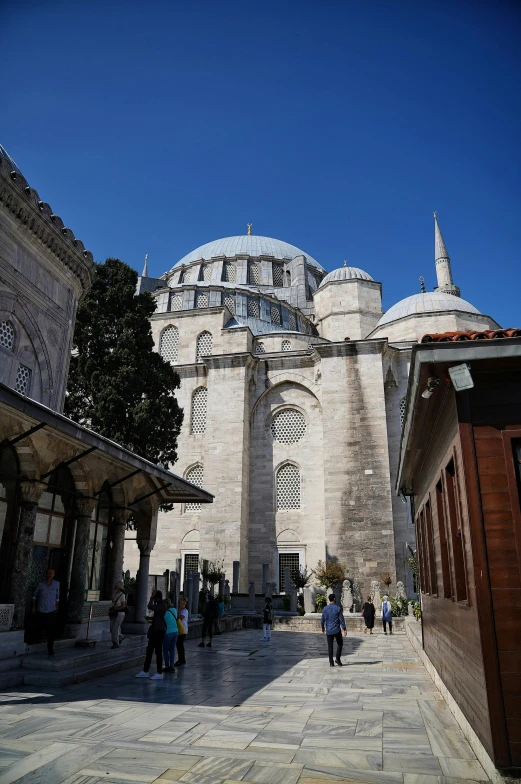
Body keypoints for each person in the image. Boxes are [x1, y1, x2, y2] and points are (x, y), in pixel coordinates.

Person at [136, 590, 167, 679]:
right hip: (155, 629)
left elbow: (150, 606)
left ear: (157, 597)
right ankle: (145, 671)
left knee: (158, 651)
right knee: (149, 650)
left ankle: (159, 672)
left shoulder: (162, 605)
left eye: (155, 597)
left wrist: (151, 599)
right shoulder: (160, 605)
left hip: (160, 630)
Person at [32, 568, 60, 655]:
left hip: (51, 610)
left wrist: (57, 607)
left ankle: (50, 647)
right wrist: (33, 607)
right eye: (48, 573)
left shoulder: (57, 584)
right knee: (38, 626)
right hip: (41, 609)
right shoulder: (41, 584)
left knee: (52, 630)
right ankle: (35, 641)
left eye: (51, 573)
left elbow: (57, 597)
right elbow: (34, 596)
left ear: (54, 574)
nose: (49, 575)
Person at [321, 593, 347, 666]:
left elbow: (322, 619)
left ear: (329, 600)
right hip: (336, 630)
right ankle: (337, 658)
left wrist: (322, 628)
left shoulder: (325, 609)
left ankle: (331, 663)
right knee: (340, 643)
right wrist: (344, 629)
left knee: (330, 646)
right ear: (334, 599)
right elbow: (341, 620)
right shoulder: (338, 608)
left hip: (328, 630)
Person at [109, 582, 127, 649]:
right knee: (111, 628)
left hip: (120, 614)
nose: (115, 587)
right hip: (114, 613)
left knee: (115, 629)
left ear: (119, 587)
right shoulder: (114, 594)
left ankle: (115, 643)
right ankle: (121, 637)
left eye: (116, 586)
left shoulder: (122, 595)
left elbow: (123, 606)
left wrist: (115, 609)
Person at [163, 598, 178, 672]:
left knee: (165, 650)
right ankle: (171, 665)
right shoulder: (174, 610)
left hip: (167, 633)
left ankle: (166, 666)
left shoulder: (164, 613)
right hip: (175, 631)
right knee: (172, 649)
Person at [176, 597, 188, 665]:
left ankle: (181, 659)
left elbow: (180, 618)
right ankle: (181, 659)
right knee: (179, 645)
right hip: (181, 630)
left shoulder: (184, 611)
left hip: (183, 630)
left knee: (179, 645)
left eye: (179, 603)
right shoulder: (181, 610)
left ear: (183, 604)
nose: (178, 604)